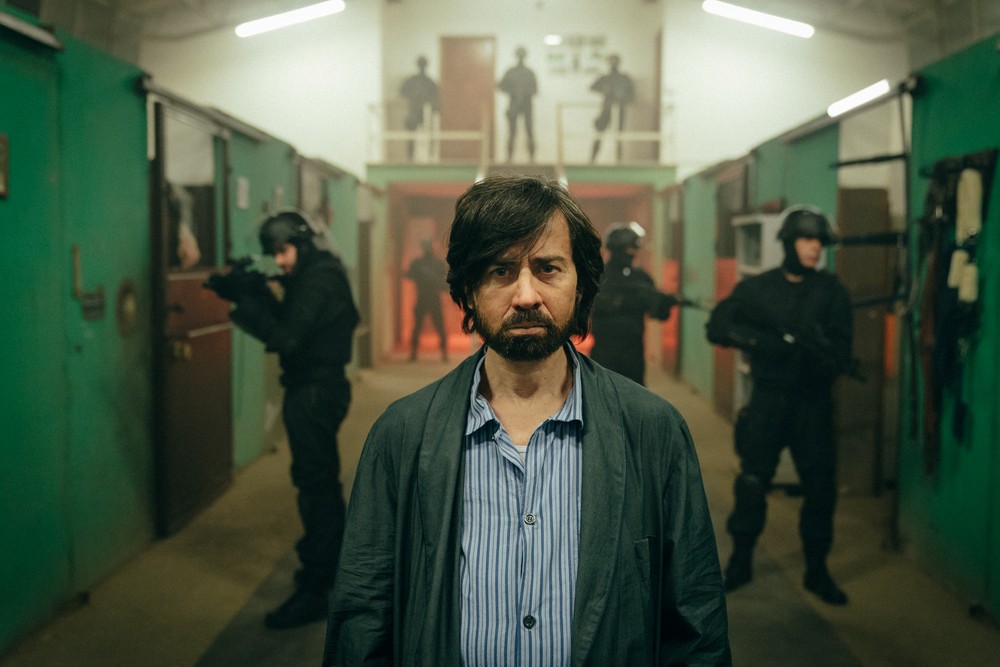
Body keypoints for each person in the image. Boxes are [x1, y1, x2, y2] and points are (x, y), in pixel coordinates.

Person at [324, 175, 730, 665]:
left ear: (581, 284)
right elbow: (362, 618)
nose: (525, 296)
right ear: (468, 290)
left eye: (547, 268)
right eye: (500, 270)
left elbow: (696, 626)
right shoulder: (401, 435)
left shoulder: (654, 431)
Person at [206, 210, 360, 628]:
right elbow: (292, 322)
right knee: (317, 483)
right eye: (275, 254)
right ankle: (331, 571)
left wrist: (247, 299)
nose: (280, 261)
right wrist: (256, 292)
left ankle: (317, 586)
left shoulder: (320, 279)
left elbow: (286, 337)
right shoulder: (315, 274)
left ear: (303, 244)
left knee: (316, 486)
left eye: (284, 251)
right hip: (313, 388)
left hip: (315, 392)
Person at [705, 205, 853, 605]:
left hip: (812, 404)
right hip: (769, 399)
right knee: (753, 481)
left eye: (819, 241)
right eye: (807, 239)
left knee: (820, 488)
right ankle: (741, 561)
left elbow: (843, 349)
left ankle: (817, 570)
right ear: (789, 243)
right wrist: (760, 342)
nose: (815, 248)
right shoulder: (759, 289)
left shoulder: (831, 291)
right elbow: (718, 325)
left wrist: (820, 357)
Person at [590, 221, 681, 385]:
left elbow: (659, 314)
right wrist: (623, 301)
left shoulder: (640, 278)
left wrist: (664, 302)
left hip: (633, 351)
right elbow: (592, 307)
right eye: (627, 248)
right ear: (615, 249)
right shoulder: (599, 276)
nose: (631, 253)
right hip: (605, 350)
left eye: (633, 248)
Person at [405, 237, 449, 361]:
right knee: (418, 327)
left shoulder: (434, 264)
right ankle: (414, 353)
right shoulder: (420, 263)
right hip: (424, 297)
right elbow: (409, 275)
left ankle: (444, 353)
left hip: (431, 298)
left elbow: (444, 281)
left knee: (438, 326)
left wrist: (435, 280)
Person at [589, 53, 634, 163]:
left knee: (618, 136)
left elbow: (632, 95)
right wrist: (604, 89)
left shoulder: (624, 79)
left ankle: (618, 161)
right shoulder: (605, 78)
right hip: (606, 109)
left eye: (615, 61)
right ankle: (592, 160)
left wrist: (622, 98)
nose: (613, 64)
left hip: (619, 110)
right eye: (611, 61)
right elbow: (593, 87)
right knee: (599, 134)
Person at [497, 46, 538, 162]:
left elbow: (535, 89)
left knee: (529, 131)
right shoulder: (510, 72)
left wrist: (524, 93)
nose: (521, 56)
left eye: (522, 54)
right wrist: (514, 91)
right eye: (519, 54)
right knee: (512, 132)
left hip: (526, 104)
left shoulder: (529, 73)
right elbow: (501, 86)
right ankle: (509, 159)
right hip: (513, 104)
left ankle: (532, 159)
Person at [400, 55, 439, 161]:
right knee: (410, 137)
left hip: (426, 114)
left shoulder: (430, 83)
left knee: (428, 136)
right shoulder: (410, 82)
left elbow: (435, 99)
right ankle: (409, 157)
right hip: (413, 112)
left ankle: (429, 156)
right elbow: (402, 95)